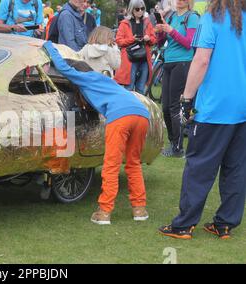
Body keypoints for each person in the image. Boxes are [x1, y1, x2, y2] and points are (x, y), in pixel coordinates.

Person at [159, 0, 246, 240]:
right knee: (236, 168)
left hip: (215, 107)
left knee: (199, 166)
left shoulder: (212, 16)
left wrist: (187, 98)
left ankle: (184, 225)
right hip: (241, 106)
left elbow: (201, 60)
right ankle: (225, 223)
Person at [38, 41, 150, 225]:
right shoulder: (104, 79)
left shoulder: (85, 78)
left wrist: (48, 45)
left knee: (111, 165)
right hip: (141, 114)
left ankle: (104, 212)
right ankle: (139, 209)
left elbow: (63, 67)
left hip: (120, 116)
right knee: (133, 163)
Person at [156, 0, 199, 157]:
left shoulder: (192, 17)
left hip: (182, 63)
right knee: (166, 107)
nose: (180, 0)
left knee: (175, 107)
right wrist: (160, 31)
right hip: (168, 62)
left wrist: (171, 30)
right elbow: (161, 42)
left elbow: (189, 43)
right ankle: (173, 142)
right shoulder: (172, 16)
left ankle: (178, 148)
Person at [114, 0, 156, 95]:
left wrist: (148, 39)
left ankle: (139, 109)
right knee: (128, 88)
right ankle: (127, 109)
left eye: (142, 9)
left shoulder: (147, 22)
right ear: (131, 10)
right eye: (137, 9)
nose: (140, 11)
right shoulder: (124, 23)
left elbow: (154, 39)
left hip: (144, 59)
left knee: (141, 89)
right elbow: (119, 41)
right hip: (130, 59)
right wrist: (132, 39)